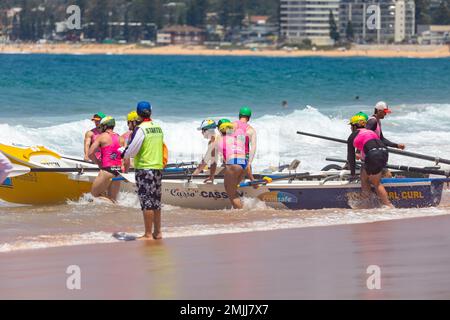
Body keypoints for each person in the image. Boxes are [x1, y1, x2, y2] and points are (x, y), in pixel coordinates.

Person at [123, 101, 166, 240]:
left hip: (144, 168)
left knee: (146, 202)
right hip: (158, 167)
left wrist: (123, 153)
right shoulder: (158, 127)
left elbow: (133, 150)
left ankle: (148, 234)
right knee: (156, 201)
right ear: (151, 112)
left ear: (138, 113)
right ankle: (158, 232)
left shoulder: (141, 129)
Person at [347, 112, 393, 208]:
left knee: (376, 182)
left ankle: (388, 205)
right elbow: (373, 146)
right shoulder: (371, 132)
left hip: (374, 155)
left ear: (355, 126)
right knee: (364, 175)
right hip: (384, 152)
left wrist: (352, 174)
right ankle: (367, 203)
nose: (350, 128)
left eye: (351, 125)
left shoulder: (352, 136)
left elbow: (351, 158)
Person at [211, 118, 249, 209]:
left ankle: (241, 216)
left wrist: (211, 176)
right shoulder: (237, 140)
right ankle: (245, 210)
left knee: (232, 195)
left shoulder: (217, 141)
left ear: (220, 130)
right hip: (245, 165)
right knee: (234, 190)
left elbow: (213, 162)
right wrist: (252, 178)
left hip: (233, 164)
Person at [88, 116, 125, 203]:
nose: (100, 129)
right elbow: (126, 158)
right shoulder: (121, 138)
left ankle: (113, 205)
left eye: (101, 126)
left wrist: (99, 163)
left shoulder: (102, 137)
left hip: (107, 170)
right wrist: (124, 173)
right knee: (113, 199)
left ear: (105, 126)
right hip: (118, 171)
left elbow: (90, 154)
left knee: (94, 196)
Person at [233, 106, 256, 184]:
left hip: (231, 155)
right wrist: (249, 163)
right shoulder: (251, 130)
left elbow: (225, 140)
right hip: (243, 157)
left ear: (239, 116)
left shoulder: (231, 125)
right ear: (249, 118)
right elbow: (253, 148)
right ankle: (250, 182)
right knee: (247, 165)